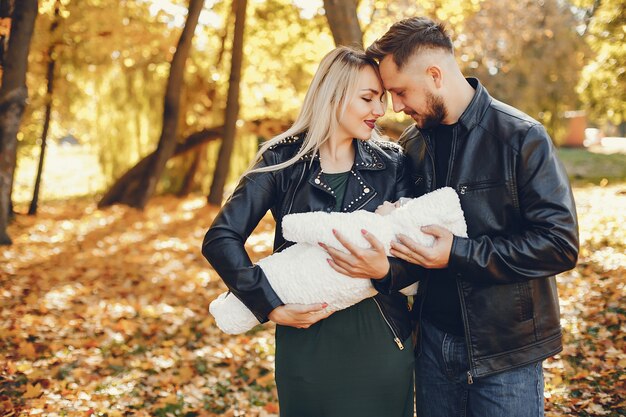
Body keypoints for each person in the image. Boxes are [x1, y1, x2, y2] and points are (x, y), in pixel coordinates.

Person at [323, 17, 579, 417]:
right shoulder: (411, 145)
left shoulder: (521, 137)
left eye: (400, 91)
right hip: (432, 348)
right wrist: (382, 270)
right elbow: (404, 241)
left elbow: (559, 246)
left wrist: (458, 253)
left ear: (435, 74)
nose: (395, 106)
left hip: (504, 353)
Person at [202, 46, 415, 417]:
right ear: (333, 95)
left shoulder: (393, 163)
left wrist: (384, 269)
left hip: (383, 345)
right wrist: (269, 306)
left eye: (381, 99)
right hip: (307, 347)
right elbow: (221, 238)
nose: (380, 111)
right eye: (368, 98)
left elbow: (416, 252)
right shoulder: (282, 160)